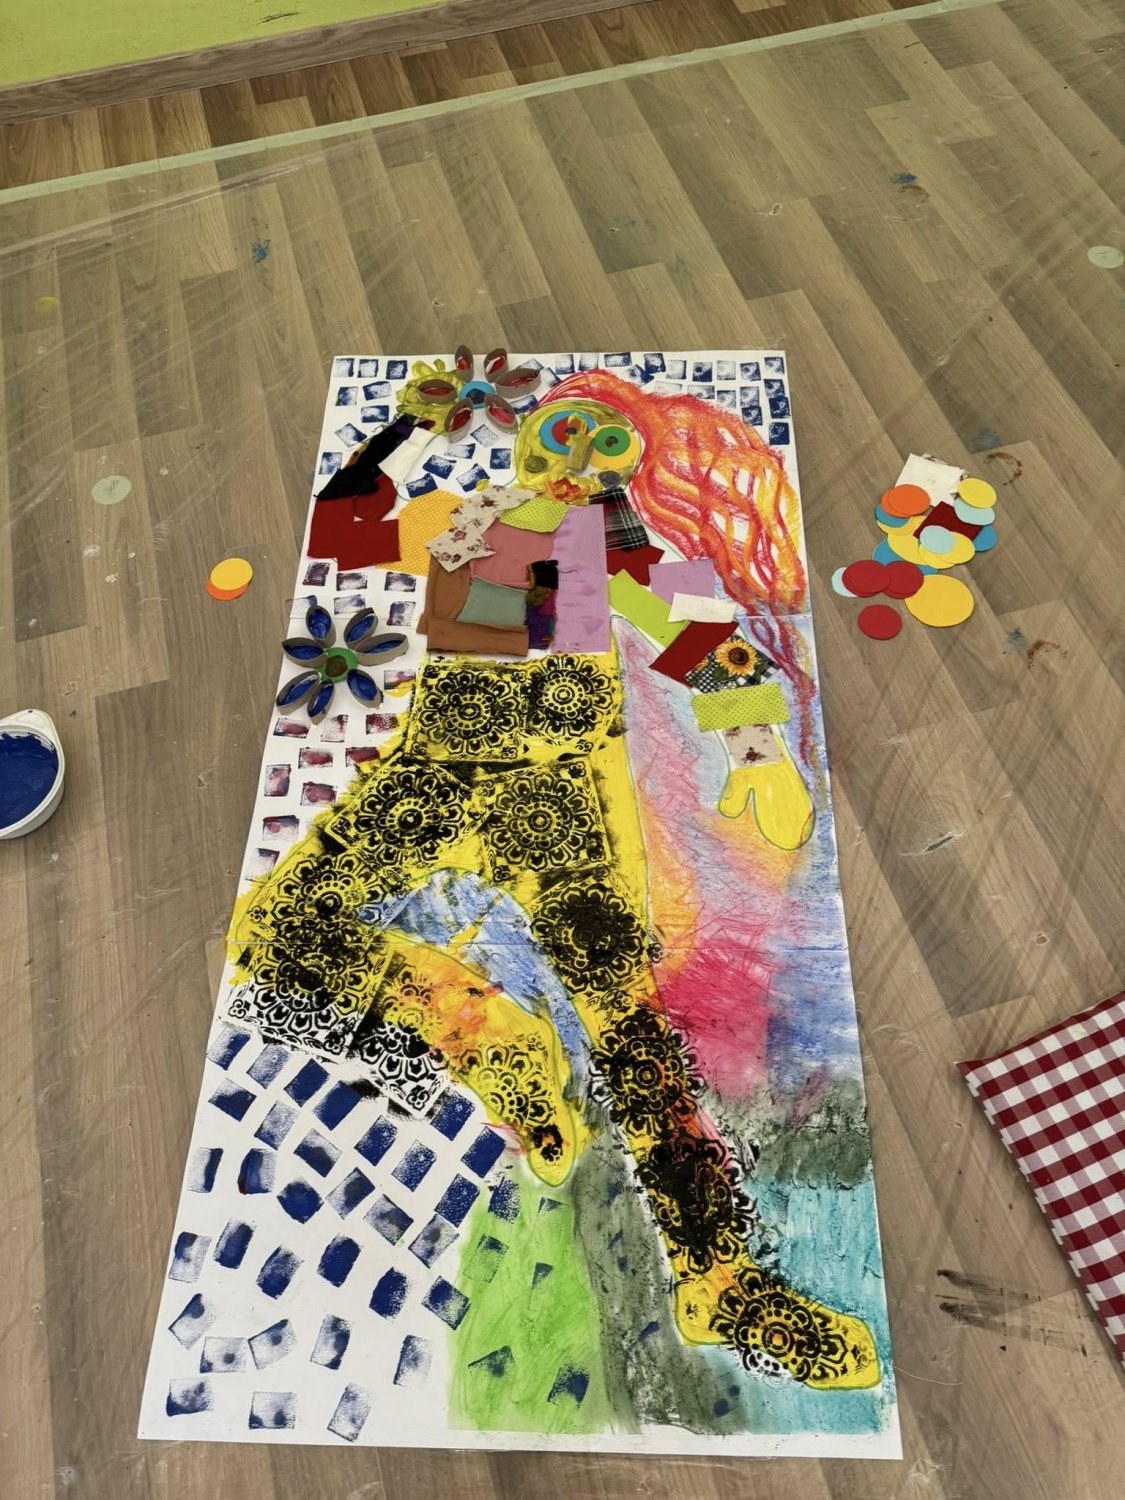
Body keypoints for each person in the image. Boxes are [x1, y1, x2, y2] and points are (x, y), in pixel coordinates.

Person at [228, 373, 879, 1391]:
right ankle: (481, 1035)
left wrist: (757, 752)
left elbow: (702, 638)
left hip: (559, 803)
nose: (579, 457)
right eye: (567, 432)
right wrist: (412, 425)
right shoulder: (462, 522)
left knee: (631, 1031)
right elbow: (345, 521)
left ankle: (720, 1277)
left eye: (607, 446)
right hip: (435, 774)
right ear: (530, 438)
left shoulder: (615, 553)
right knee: (270, 931)